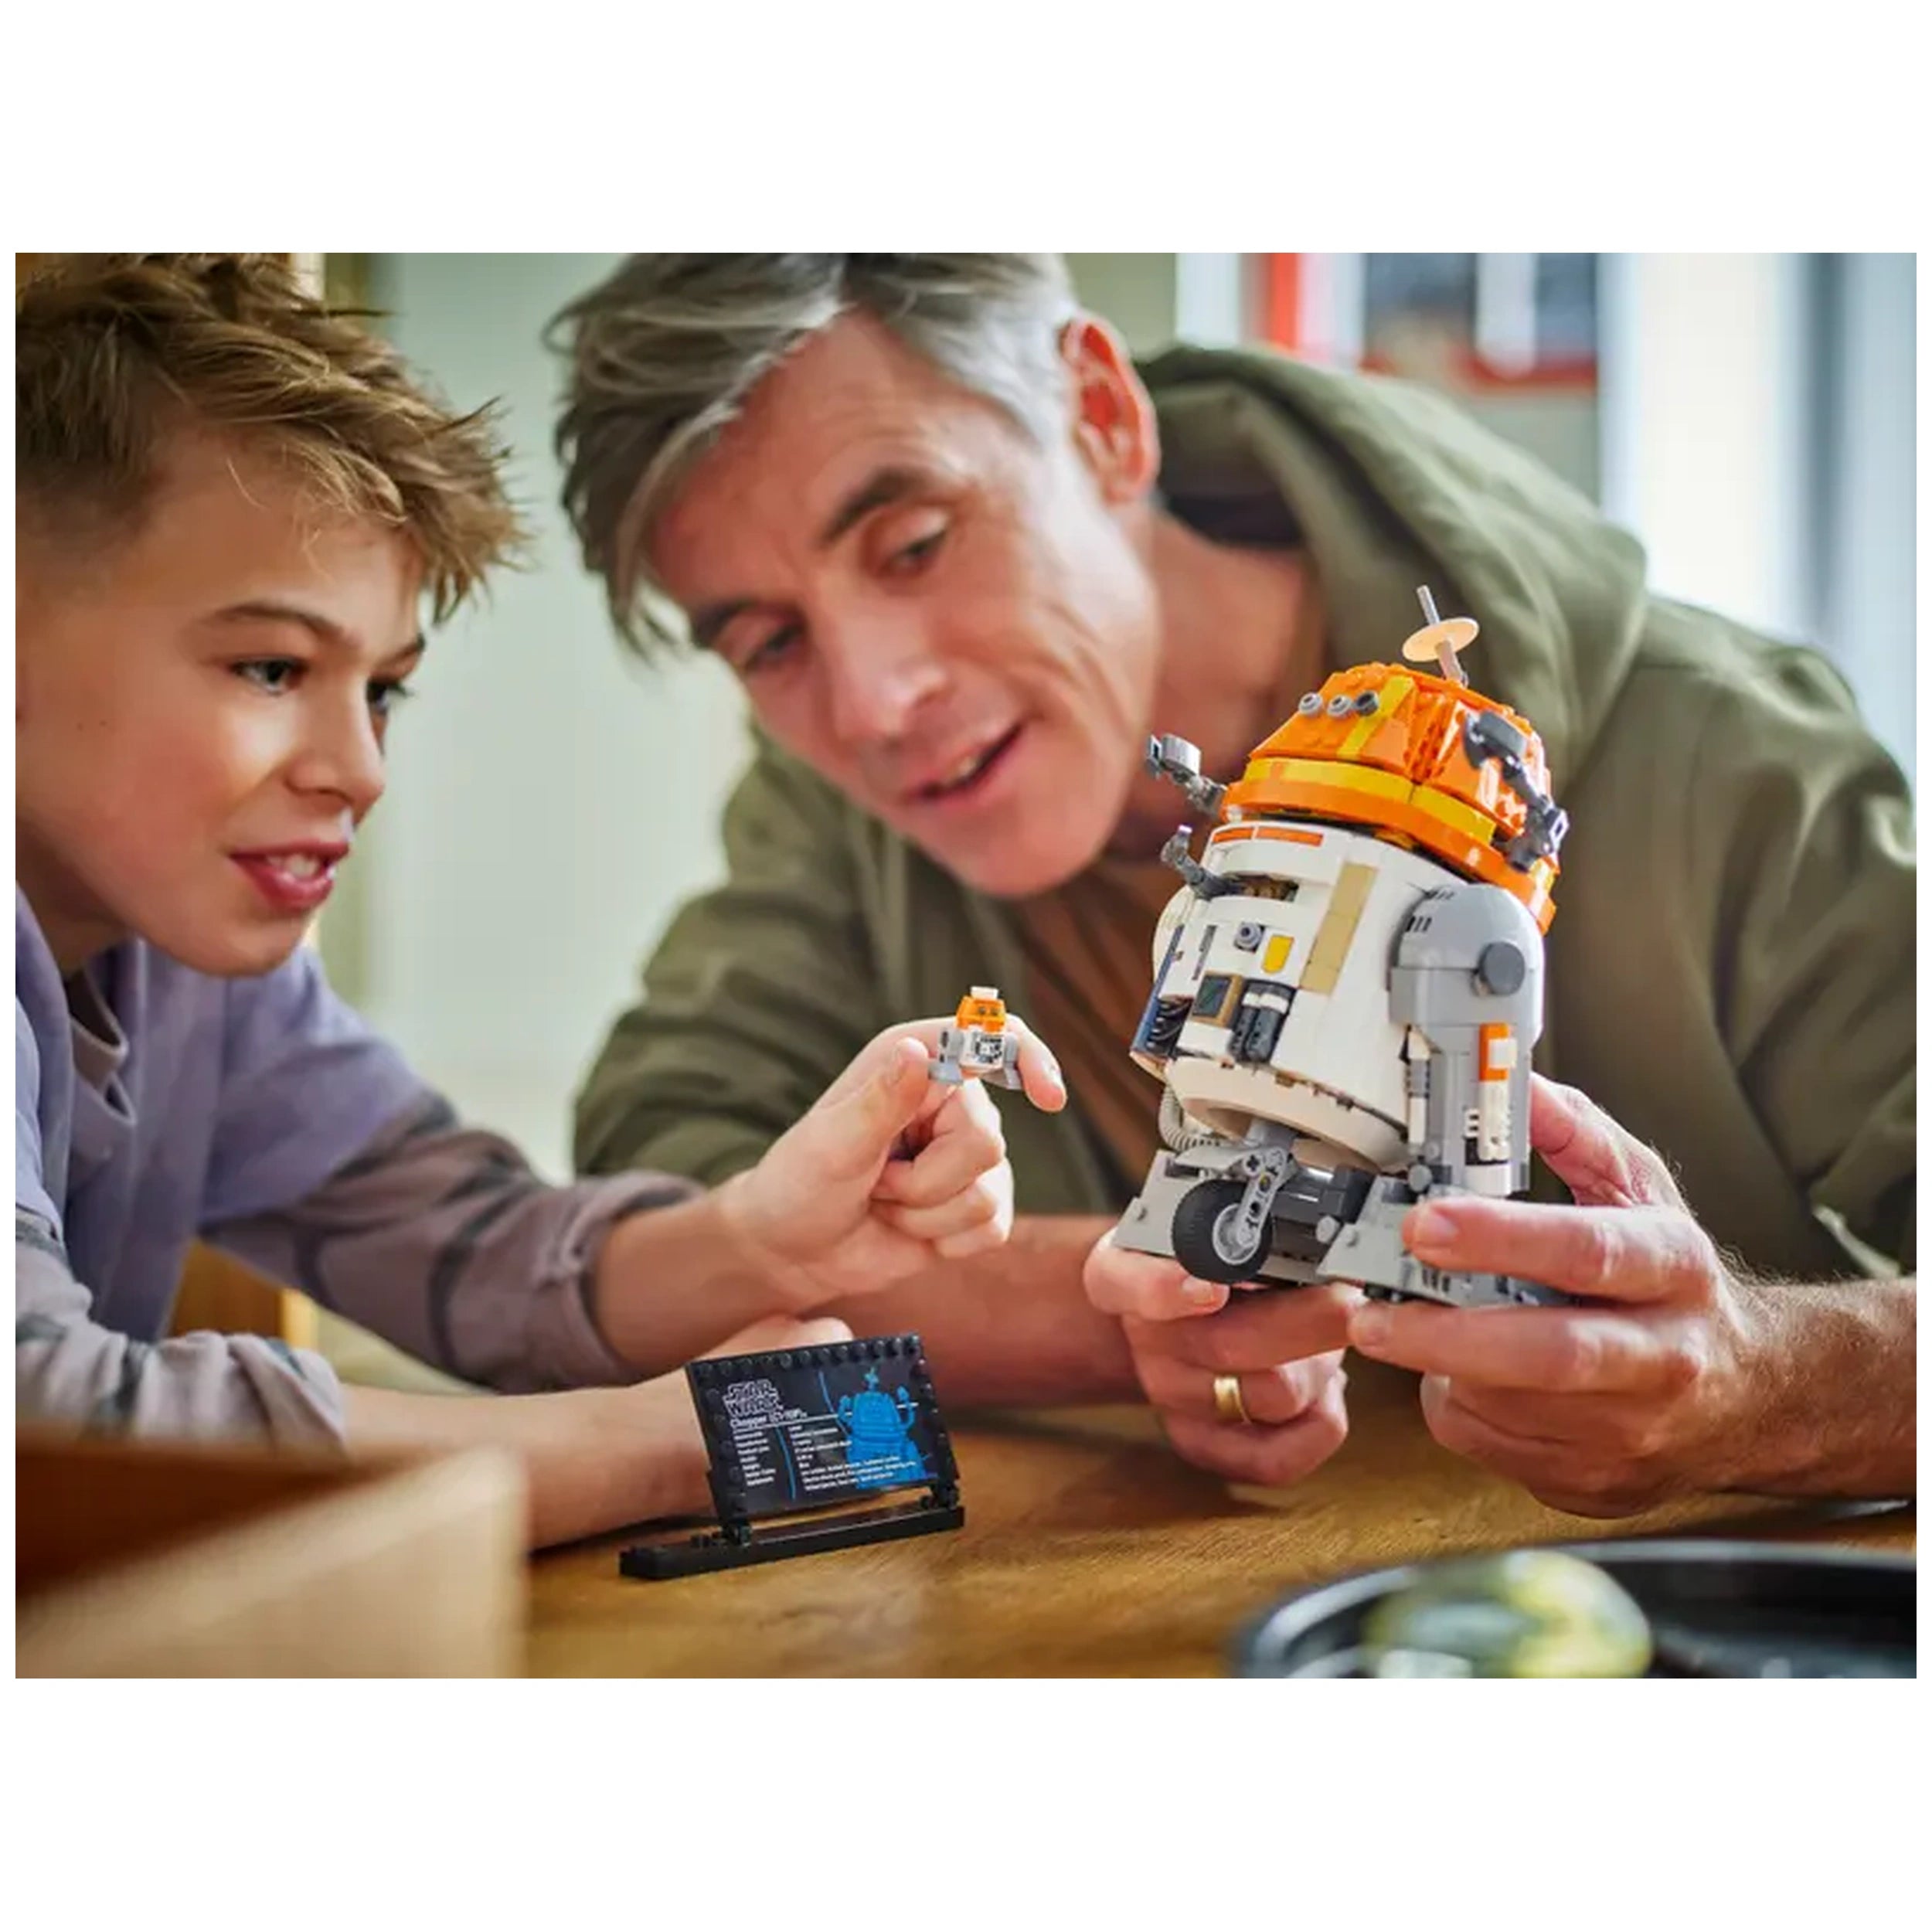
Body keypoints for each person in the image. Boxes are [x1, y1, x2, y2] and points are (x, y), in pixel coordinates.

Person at [550, 253, 1915, 1516]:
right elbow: (640, 1216)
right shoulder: (839, 814)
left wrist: (1766, 1379)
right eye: (770, 643)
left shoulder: (1728, 758)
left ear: (1100, 419)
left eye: (914, 545)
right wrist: (1152, 1295)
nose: (874, 703)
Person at [14, 253, 1066, 1550]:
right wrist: (658, 1447)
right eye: (272, 667)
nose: (360, 769)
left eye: (382, 688)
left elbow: (488, 1255)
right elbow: (41, 1421)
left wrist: (767, 1240)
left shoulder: (199, 977)